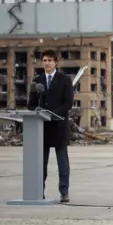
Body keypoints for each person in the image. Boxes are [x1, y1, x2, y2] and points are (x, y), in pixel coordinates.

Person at [27, 50, 74, 203]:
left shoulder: (65, 80)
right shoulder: (37, 81)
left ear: (56, 63)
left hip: (59, 126)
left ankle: (64, 192)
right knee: (42, 164)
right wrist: (38, 111)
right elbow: (31, 105)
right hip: (43, 129)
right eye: (44, 60)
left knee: (62, 162)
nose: (47, 63)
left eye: (49, 60)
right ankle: (39, 191)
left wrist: (52, 113)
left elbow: (68, 103)